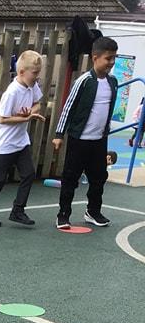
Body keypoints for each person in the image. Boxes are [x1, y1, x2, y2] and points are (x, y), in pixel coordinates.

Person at [52, 36, 119, 230]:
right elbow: (68, 108)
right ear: (95, 57)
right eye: (108, 58)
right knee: (70, 178)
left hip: (99, 140)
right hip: (79, 139)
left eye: (114, 58)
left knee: (99, 177)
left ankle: (93, 212)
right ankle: (63, 215)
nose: (111, 62)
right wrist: (59, 134)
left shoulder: (113, 82)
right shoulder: (84, 81)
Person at [0, 50, 46, 228]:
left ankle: (18, 211)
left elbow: (37, 103)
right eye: (35, 73)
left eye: (38, 72)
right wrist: (25, 118)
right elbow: (2, 119)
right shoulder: (12, 93)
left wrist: (31, 111)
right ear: (22, 72)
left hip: (21, 141)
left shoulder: (32, 86)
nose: (37, 77)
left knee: (28, 174)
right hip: (6, 144)